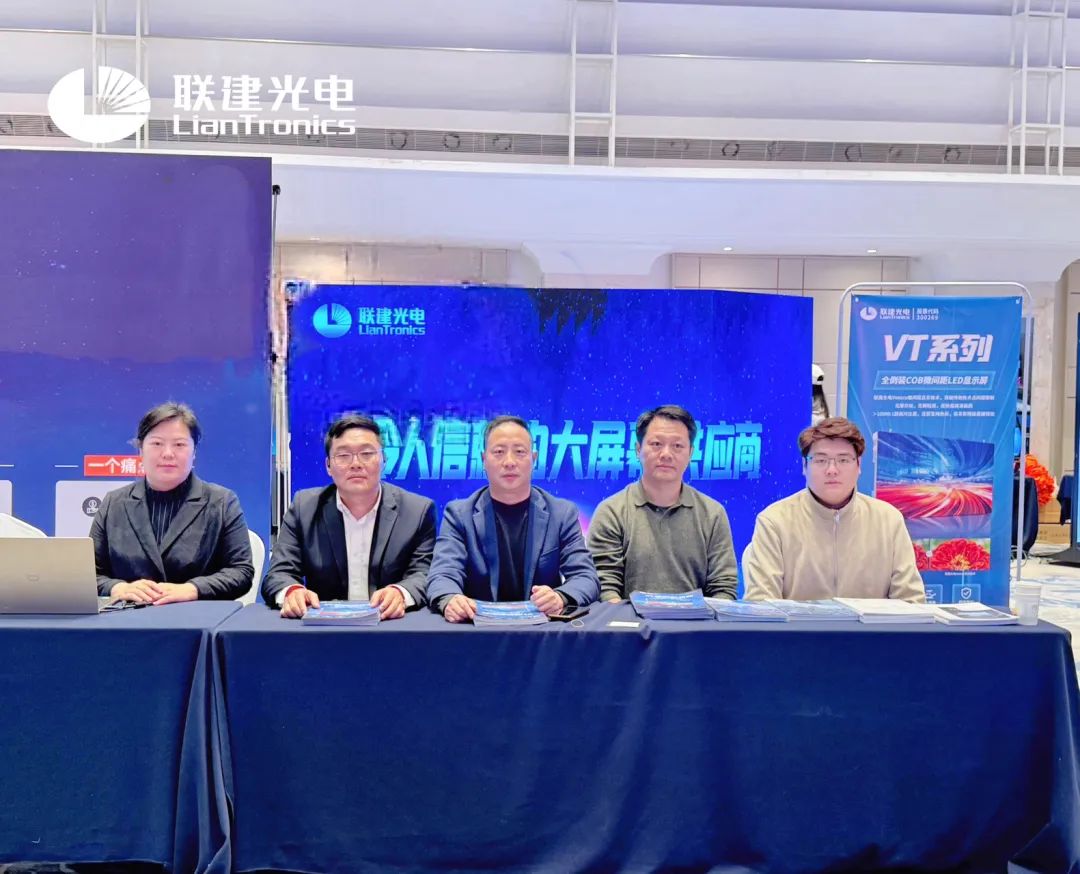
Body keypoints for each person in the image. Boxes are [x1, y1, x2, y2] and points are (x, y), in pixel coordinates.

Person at [261, 414, 436, 619]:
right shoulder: (304, 508)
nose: (356, 464)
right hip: (325, 626)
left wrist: (401, 592)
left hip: (390, 624)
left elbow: (425, 573)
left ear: (384, 460)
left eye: (367, 453)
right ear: (328, 466)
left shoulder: (417, 511)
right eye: (343, 455)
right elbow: (279, 573)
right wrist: (292, 592)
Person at [426, 415, 599, 622]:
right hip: (478, 630)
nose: (509, 462)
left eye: (519, 452)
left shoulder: (561, 513)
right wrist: (450, 599)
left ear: (533, 459)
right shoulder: (459, 515)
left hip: (542, 632)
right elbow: (442, 574)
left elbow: (586, 577)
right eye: (499, 452)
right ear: (484, 460)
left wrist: (559, 597)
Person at [743, 416, 925, 602]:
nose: (832, 470)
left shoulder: (888, 520)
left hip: (870, 623)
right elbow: (761, 603)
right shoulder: (774, 521)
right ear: (804, 466)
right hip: (797, 623)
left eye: (843, 460)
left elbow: (911, 602)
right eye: (821, 460)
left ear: (859, 465)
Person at [91, 402, 253, 603]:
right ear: (140, 450)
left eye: (179, 445)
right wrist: (118, 588)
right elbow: (89, 574)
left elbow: (241, 571)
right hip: (126, 615)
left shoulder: (221, 502)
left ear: (194, 452)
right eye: (157, 444)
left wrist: (193, 589)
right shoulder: (114, 503)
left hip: (196, 616)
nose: (167, 453)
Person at [588, 404, 738, 602]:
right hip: (628, 620)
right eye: (656, 444)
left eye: (677, 446)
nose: (666, 454)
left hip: (697, 621)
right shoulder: (612, 512)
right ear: (638, 449)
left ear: (691, 453)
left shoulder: (712, 514)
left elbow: (724, 587)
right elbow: (605, 587)